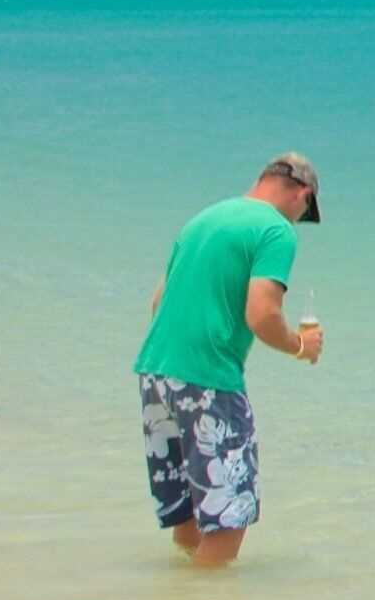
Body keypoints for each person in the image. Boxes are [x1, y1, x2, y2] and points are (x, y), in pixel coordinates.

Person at [130, 155, 323, 567]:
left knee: (190, 516)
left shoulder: (203, 219)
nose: (297, 220)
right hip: (208, 378)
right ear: (302, 194)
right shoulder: (275, 230)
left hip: (156, 371)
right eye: (304, 212)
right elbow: (263, 314)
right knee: (227, 522)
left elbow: (157, 302)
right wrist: (300, 346)